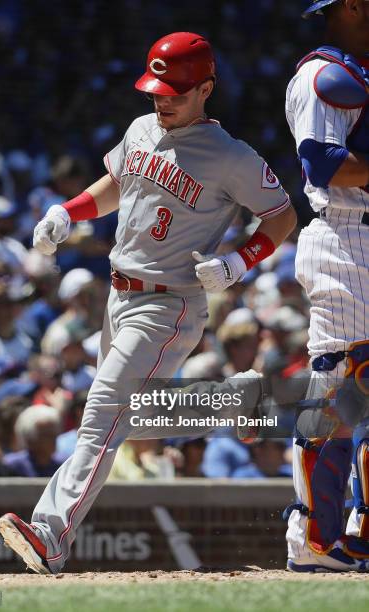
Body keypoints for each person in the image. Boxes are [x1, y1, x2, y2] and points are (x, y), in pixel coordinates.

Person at [0, 31, 296, 574]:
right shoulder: (141, 127)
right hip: (119, 293)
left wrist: (240, 262)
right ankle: (235, 402)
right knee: (129, 422)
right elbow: (117, 183)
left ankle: (49, 534)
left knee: (101, 415)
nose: (162, 99)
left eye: (175, 92)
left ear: (206, 88)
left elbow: (282, 215)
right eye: (156, 89)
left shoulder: (231, 156)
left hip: (170, 303)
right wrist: (69, 211)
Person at [284, 0, 369, 572]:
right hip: (347, 240)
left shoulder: (356, 71)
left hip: (358, 241)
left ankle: (349, 532)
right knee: (345, 385)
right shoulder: (322, 74)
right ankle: (317, 539)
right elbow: (322, 162)